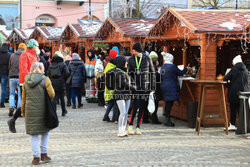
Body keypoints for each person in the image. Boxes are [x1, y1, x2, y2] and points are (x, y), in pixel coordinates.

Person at [21, 62, 55, 165]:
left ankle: (35, 157)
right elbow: (52, 94)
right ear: (40, 69)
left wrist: (23, 111)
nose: (44, 71)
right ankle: (44, 154)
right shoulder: (45, 79)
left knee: (33, 135)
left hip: (30, 110)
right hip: (44, 110)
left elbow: (23, 98)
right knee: (45, 132)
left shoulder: (26, 80)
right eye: (43, 69)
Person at [127, 43, 156, 135]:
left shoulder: (147, 59)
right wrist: (132, 85)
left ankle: (138, 127)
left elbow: (152, 73)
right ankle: (130, 125)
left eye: (134, 50)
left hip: (145, 87)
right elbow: (129, 75)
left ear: (137, 50)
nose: (133, 52)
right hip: (135, 87)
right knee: (135, 106)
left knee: (143, 107)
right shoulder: (131, 59)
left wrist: (152, 87)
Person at [108, 56, 136, 137]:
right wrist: (134, 88)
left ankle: (123, 129)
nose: (127, 63)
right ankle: (120, 130)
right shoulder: (119, 73)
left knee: (126, 113)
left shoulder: (124, 71)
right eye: (125, 61)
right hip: (120, 94)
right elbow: (124, 84)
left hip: (127, 94)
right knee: (123, 112)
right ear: (121, 63)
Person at [160, 52, 188, 127]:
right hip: (171, 86)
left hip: (163, 86)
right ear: (171, 59)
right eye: (173, 59)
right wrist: (186, 68)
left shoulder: (163, 67)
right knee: (170, 103)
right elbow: (181, 73)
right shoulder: (172, 67)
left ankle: (167, 118)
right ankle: (168, 120)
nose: (173, 60)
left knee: (167, 103)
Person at [223, 55, 249, 131]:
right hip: (244, 92)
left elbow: (225, 79)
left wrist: (229, 85)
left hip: (234, 92)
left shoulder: (234, 69)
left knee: (233, 109)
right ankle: (243, 125)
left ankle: (233, 124)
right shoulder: (246, 70)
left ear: (234, 63)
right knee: (241, 110)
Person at [7, 43, 26, 133]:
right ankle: (19, 108)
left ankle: (11, 106)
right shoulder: (24, 56)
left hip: (12, 76)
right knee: (19, 94)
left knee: (11, 93)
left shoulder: (12, 55)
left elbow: (9, 65)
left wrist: (10, 73)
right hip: (20, 77)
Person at [48, 51, 70, 116]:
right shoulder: (63, 64)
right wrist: (64, 78)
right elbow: (67, 73)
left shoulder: (51, 65)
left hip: (53, 83)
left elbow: (48, 74)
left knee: (54, 98)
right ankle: (63, 111)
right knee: (62, 97)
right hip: (61, 83)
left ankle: (54, 112)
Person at [103, 49, 118, 122]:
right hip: (112, 87)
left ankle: (105, 116)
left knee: (111, 103)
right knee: (115, 102)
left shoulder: (107, 64)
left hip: (107, 86)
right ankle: (114, 117)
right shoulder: (113, 65)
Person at [149, 51, 161, 124]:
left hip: (150, 86)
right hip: (154, 87)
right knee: (155, 103)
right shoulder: (153, 67)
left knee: (151, 102)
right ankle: (154, 118)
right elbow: (155, 76)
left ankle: (150, 117)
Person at [0, 43, 11, 108]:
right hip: (5, 73)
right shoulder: (9, 55)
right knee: (3, 88)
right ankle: (2, 103)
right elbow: (10, 64)